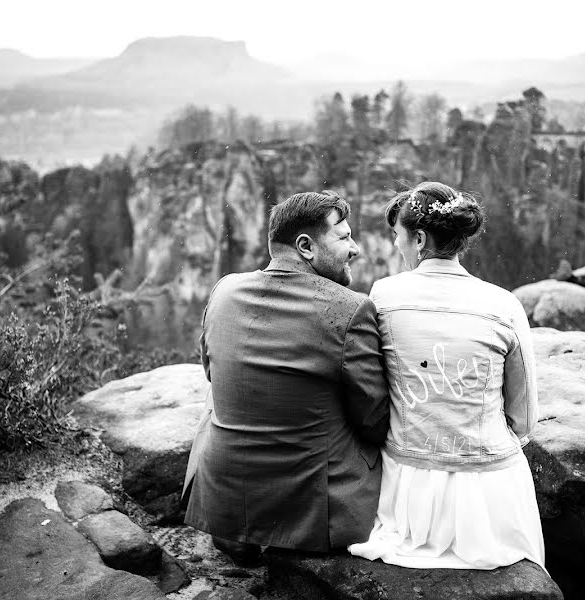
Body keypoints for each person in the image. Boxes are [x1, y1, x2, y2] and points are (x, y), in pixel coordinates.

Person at [182, 190, 390, 565]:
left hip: (224, 502)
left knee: (221, 397)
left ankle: (238, 526)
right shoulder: (350, 308)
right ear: (306, 247)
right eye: (343, 237)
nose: (356, 248)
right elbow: (373, 420)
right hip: (310, 512)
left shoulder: (225, 289)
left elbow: (212, 374)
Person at [348, 181, 546, 570]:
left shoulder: (384, 295)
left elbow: (371, 390)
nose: (395, 247)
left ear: (419, 239)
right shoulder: (504, 303)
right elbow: (524, 417)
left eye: (398, 237)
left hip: (410, 485)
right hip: (491, 495)